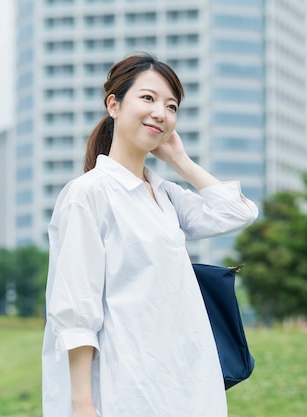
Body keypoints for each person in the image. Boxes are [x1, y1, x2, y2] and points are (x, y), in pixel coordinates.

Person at [41, 53, 259, 417]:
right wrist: (82, 405)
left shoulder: (164, 194)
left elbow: (237, 211)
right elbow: (76, 310)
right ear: (114, 104)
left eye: (171, 106)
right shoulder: (88, 194)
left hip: (185, 380)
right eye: (148, 98)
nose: (161, 112)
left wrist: (180, 162)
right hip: (124, 385)